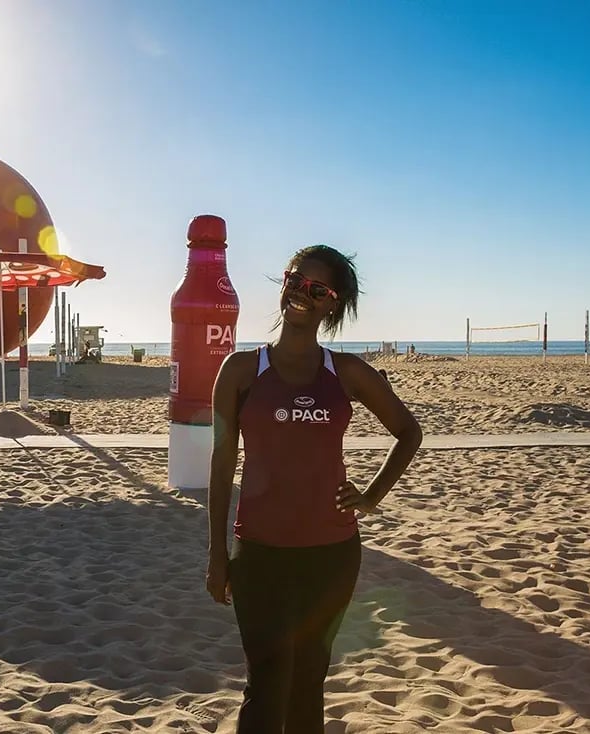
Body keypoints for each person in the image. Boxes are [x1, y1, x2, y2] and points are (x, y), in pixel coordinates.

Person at [207, 245, 423, 733]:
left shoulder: (345, 372)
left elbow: (408, 431)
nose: (302, 294)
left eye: (317, 289)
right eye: (296, 280)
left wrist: (370, 496)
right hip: (258, 554)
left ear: (333, 303)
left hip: (331, 555)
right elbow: (221, 467)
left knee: (308, 681)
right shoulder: (241, 371)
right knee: (265, 684)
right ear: (284, 283)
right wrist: (218, 555)